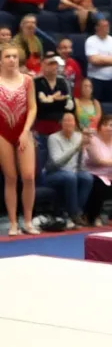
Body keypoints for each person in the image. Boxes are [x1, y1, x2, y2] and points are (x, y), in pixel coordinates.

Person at [0, 43, 38, 235]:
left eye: (15, 56)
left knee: (29, 176)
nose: (12, 60)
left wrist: (25, 131)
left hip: (23, 131)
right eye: (7, 56)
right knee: (11, 177)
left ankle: (28, 221)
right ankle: (14, 222)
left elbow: (32, 107)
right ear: (1, 60)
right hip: (2, 133)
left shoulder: (27, 80)